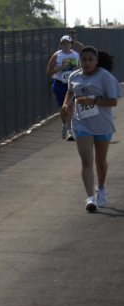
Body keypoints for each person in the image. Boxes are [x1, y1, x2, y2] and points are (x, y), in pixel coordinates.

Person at [61, 46, 121, 212]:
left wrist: (93, 101)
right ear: (79, 61)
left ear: (96, 61)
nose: (86, 63)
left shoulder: (105, 77)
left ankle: (100, 188)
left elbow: (113, 102)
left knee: (100, 162)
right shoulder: (74, 76)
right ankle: (90, 198)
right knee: (86, 160)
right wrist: (66, 104)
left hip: (102, 123)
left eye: (90, 59)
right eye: (84, 59)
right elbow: (70, 92)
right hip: (82, 123)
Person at [47, 35, 79, 141]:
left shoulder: (76, 55)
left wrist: (76, 68)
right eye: (63, 43)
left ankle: (70, 131)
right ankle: (64, 125)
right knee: (63, 108)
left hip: (72, 84)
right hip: (60, 83)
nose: (66, 45)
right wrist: (59, 68)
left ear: (71, 44)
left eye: (68, 43)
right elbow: (49, 71)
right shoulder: (57, 55)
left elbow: (82, 68)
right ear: (61, 44)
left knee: (71, 107)